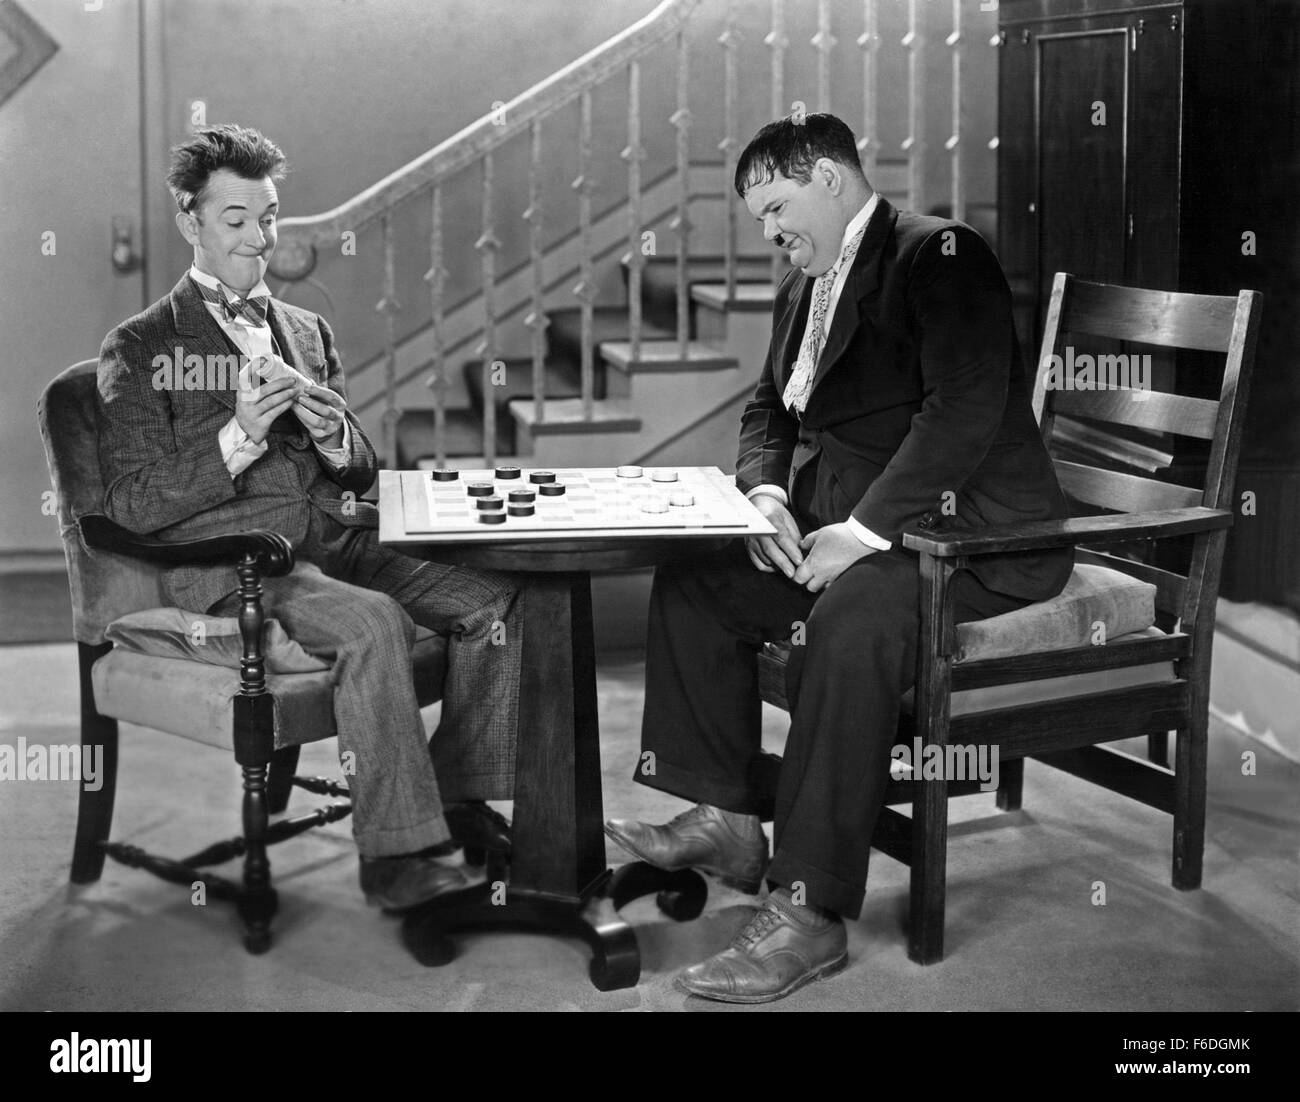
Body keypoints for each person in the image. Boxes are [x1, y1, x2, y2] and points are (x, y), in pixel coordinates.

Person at [605, 113, 1074, 1002]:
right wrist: (768, 496)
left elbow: (962, 415)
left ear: (829, 176)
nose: (772, 233)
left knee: (849, 620)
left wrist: (859, 536)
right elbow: (768, 413)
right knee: (700, 578)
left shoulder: (939, 256)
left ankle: (809, 912)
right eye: (759, 220)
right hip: (853, 524)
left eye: (777, 207)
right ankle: (733, 818)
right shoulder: (802, 283)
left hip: (973, 542)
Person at [97, 124, 515, 912]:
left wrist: (338, 438)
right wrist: (239, 434)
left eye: (270, 218)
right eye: (236, 222)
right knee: (373, 622)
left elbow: (361, 465)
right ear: (190, 221)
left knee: (498, 601)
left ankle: (458, 805)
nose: (260, 240)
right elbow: (131, 502)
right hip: (243, 569)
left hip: (338, 541)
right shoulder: (142, 346)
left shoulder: (306, 331)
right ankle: (401, 860)